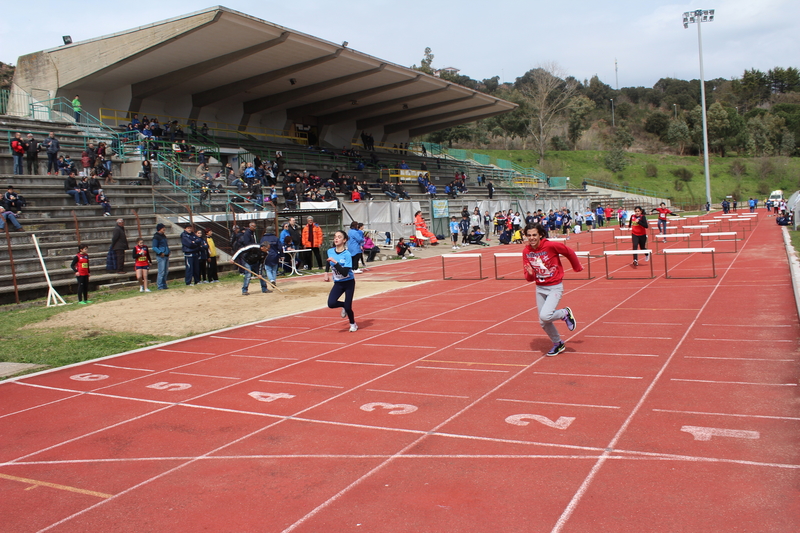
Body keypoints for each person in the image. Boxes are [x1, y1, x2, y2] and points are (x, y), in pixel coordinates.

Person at [522, 223, 582, 357]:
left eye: (534, 235)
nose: (531, 238)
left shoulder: (550, 246)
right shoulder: (526, 252)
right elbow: (529, 279)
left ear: (540, 235)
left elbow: (569, 252)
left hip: (555, 286)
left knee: (545, 315)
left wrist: (576, 267)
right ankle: (558, 343)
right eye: (529, 235)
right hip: (540, 288)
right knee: (543, 322)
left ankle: (564, 313)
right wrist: (531, 273)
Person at [323, 230, 358, 332]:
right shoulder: (330, 251)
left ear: (344, 240)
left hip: (348, 282)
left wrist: (336, 262)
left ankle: (353, 324)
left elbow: (344, 273)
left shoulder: (347, 254)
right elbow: (328, 262)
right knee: (331, 303)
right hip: (338, 283)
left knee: (348, 307)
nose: (336, 239)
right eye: (335, 237)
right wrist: (326, 273)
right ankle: (343, 305)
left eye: (339, 237)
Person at [152, 223, 170, 290]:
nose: (164, 229)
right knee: (161, 271)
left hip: (166, 255)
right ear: (160, 229)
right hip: (161, 256)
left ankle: (164, 284)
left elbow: (166, 245)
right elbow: (154, 247)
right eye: (163, 228)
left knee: (166, 271)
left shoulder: (163, 236)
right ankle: (160, 285)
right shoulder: (156, 237)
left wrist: (168, 251)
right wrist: (160, 252)